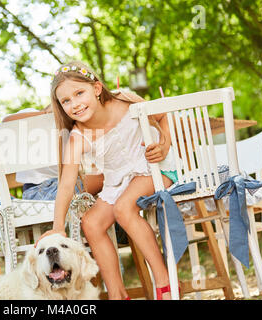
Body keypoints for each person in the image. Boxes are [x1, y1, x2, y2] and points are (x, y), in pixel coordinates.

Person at [38, 61, 178, 300]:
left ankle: (164, 282)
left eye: (79, 93)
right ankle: (117, 294)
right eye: (66, 101)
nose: (75, 104)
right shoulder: (77, 137)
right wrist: (58, 226)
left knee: (124, 209)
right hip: (120, 181)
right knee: (91, 223)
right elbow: (66, 184)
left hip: (155, 168)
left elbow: (164, 116)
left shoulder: (125, 101)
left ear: (97, 88)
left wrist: (164, 145)